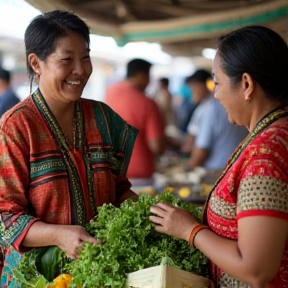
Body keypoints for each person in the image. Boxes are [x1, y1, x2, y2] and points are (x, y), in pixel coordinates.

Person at [0, 10, 138, 287]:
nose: (80, 69)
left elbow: (119, 189)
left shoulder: (103, 119)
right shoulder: (16, 127)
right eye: (66, 59)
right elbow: (5, 217)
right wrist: (58, 235)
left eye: (85, 57)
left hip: (102, 272)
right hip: (38, 277)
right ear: (36, 63)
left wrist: (143, 212)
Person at [149, 25, 288, 288]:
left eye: (219, 82)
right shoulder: (275, 133)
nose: (216, 93)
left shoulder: (265, 156)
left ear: (246, 85)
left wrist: (189, 230)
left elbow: (257, 270)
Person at [105, 58, 165, 182]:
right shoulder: (147, 103)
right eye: (148, 77)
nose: (148, 82)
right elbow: (157, 146)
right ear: (142, 75)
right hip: (140, 175)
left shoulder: (110, 93)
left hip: (112, 172)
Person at [181, 69, 248, 171]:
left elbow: (202, 149)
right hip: (233, 167)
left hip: (216, 170)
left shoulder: (210, 108)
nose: (191, 91)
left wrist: (188, 169)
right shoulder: (208, 106)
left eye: (193, 87)